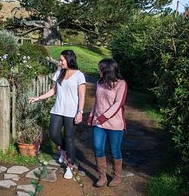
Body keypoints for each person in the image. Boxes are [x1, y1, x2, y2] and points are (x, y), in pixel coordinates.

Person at [29, 50, 86, 179]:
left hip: (72, 112)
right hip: (58, 110)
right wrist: (38, 98)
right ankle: (64, 151)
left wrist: (80, 112)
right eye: (60, 60)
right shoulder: (59, 73)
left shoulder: (79, 75)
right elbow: (53, 90)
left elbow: (82, 95)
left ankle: (69, 167)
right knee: (54, 134)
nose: (60, 62)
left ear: (69, 60)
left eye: (62, 60)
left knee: (69, 138)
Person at [87, 58, 127, 187]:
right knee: (98, 148)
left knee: (115, 150)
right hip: (98, 123)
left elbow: (118, 104)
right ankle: (102, 176)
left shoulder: (121, 84)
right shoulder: (99, 83)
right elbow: (98, 102)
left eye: (100, 68)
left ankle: (117, 177)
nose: (98, 70)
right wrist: (92, 116)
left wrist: (103, 117)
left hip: (115, 124)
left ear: (106, 69)